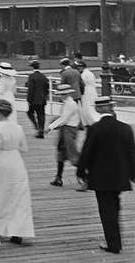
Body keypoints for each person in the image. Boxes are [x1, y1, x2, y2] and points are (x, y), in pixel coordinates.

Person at [76, 96, 135, 254]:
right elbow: (131, 154)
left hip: (101, 177)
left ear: (97, 109)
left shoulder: (95, 129)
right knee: (114, 207)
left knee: (106, 210)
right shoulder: (125, 128)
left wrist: (81, 172)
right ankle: (116, 241)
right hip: (120, 176)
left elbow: (87, 153)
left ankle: (113, 244)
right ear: (111, 108)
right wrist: (133, 175)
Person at [0, 99, 34, 245]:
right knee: (18, 196)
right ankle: (18, 231)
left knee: (0, 196)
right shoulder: (18, 127)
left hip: (2, 163)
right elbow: (24, 148)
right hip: (16, 162)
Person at [45, 83, 82, 188]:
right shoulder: (69, 103)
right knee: (61, 153)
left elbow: (64, 119)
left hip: (69, 130)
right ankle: (58, 177)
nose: (60, 96)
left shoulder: (70, 104)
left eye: (62, 94)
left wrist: (50, 127)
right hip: (67, 130)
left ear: (65, 94)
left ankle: (84, 177)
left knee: (72, 154)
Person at [25, 60, 49, 138]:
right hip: (42, 99)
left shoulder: (32, 76)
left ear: (32, 67)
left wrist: (29, 99)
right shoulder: (43, 76)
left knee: (30, 113)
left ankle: (37, 127)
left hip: (34, 99)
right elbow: (46, 88)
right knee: (41, 115)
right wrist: (45, 96)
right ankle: (41, 130)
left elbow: (31, 89)